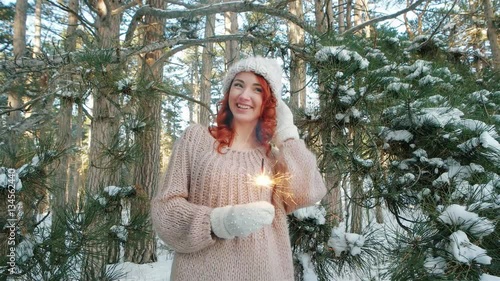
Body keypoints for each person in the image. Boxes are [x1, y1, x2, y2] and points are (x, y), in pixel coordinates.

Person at [151, 56, 327, 281]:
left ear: (269, 102)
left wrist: (287, 134)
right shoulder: (196, 139)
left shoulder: (273, 159)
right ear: (228, 92)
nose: (245, 96)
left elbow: (309, 192)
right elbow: (165, 211)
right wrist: (217, 222)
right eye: (238, 85)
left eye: (257, 90)